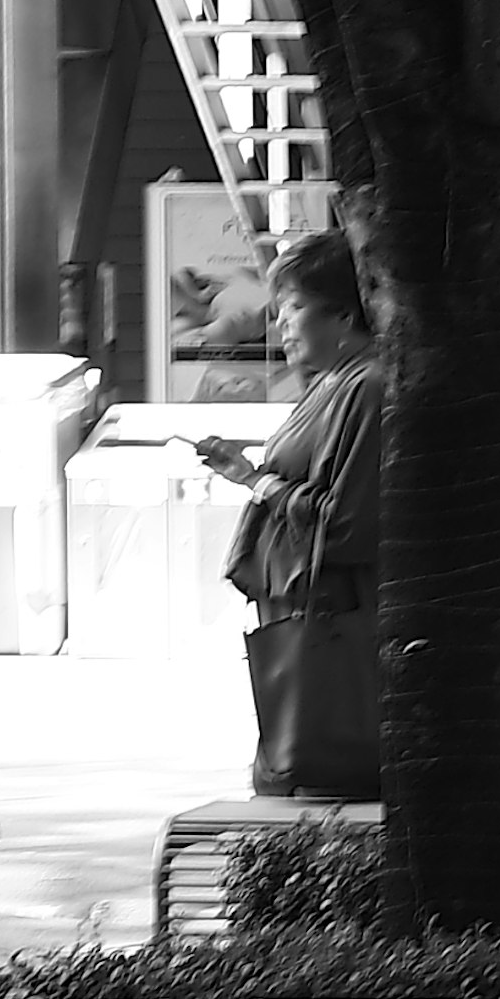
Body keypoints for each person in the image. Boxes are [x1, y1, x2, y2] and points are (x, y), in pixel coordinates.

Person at [213, 232, 384, 797]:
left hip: (332, 614)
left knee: (313, 770)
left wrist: (261, 484)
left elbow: (345, 522)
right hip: (298, 608)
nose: (281, 324)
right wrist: (249, 476)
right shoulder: (329, 383)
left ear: (341, 313)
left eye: (294, 307)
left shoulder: (364, 386)